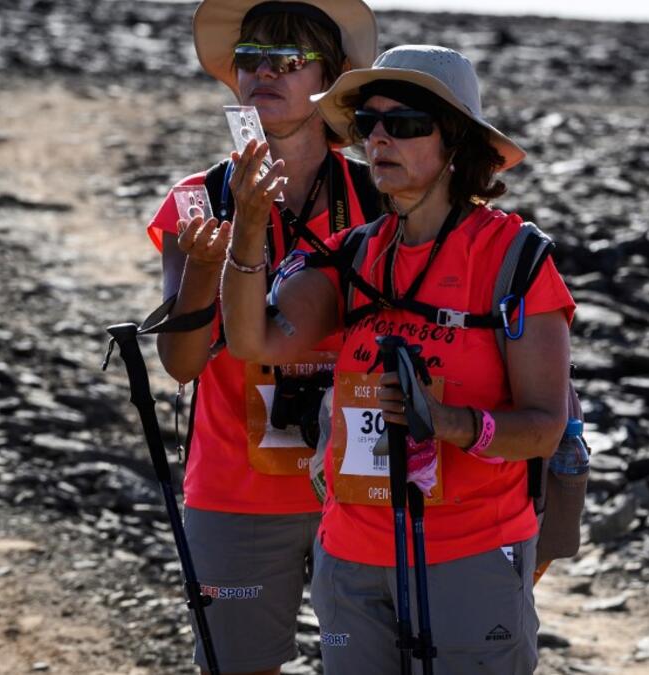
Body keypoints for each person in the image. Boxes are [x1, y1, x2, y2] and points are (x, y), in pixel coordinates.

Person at [219, 44, 575, 673]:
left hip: (472, 556)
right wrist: (248, 228)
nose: (379, 138)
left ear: (457, 143)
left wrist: (449, 423)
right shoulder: (350, 254)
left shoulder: (512, 258)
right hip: (351, 560)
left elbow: (544, 426)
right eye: (369, 124)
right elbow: (254, 342)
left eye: (405, 124)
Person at [143, 1, 378, 673]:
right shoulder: (196, 199)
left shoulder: (378, 197)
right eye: (250, 58)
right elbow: (181, 363)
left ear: (330, 79)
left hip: (363, 479)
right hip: (234, 486)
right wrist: (207, 266)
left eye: (289, 61)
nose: (263, 73)